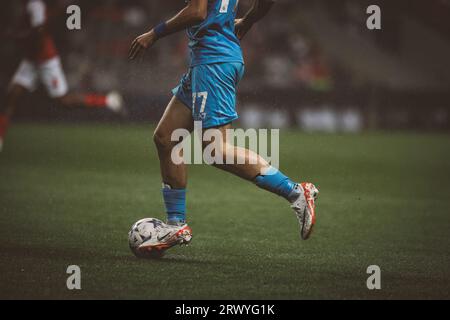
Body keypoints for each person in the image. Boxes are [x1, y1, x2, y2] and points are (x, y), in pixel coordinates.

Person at [128, 0, 319, 253]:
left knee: (215, 150)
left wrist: (154, 34)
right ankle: (175, 225)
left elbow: (197, 11)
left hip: (213, 63)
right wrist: (248, 20)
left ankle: (296, 192)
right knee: (166, 138)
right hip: (206, 61)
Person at [0, 0, 125, 152]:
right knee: (10, 97)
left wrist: (15, 36)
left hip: (45, 60)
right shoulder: (30, 5)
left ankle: (107, 100)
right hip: (31, 60)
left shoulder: (35, 5)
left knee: (64, 101)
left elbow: (39, 33)